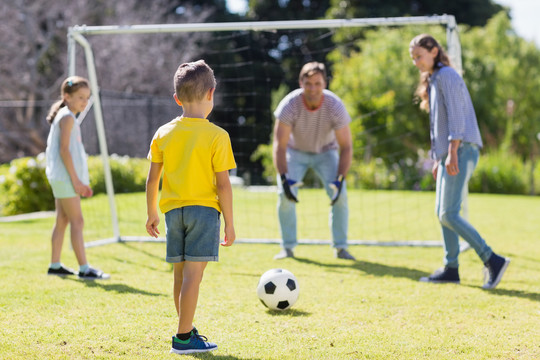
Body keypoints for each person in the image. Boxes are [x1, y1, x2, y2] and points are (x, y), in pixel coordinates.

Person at [145, 60, 236, 355]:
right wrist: (230, 223)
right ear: (212, 93)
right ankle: (183, 338)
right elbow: (223, 185)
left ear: (177, 98)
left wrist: (151, 213)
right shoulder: (218, 136)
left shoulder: (162, 133)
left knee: (180, 276)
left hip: (173, 214)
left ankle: (186, 328)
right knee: (193, 278)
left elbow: (152, 180)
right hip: (204, 212)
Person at [409, 34, 510, 289]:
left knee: (449, 213)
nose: (416, 62)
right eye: (413, 58)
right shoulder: (434, 79)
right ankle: (451, 268)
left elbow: (456, 118)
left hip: (461, 150)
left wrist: (452, 151)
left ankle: (493, 260)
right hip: (449, 153)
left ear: (433, 51)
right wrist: (438, 157)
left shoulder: (447, 76)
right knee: (441, 213)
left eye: (418, 56)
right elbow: (438, 125)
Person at [272, 61, 355, 260]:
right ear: (301, 83)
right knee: (284, 195)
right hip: (295, 152)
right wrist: (284, 179)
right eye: (308, 83)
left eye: (317, 83)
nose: (313, 88)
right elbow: (279, 145)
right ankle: (288, 247)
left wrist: (340, 178)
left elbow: (347, 146)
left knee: (340, 195)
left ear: (324, 83)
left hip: (326, 153)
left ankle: (341, 247)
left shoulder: (335, 106)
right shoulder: (289, 105)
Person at [45, 76, 110, 280]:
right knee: (77, 221)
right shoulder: (67, 117)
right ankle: (84, 269)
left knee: (63, 220)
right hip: (65, 179)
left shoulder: (68, 116)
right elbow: (65, 151)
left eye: (87, 97)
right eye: (80, 97)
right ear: (67, 97)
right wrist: (77, 181)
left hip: (62, 178)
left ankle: (55, 265)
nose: (85, 101)